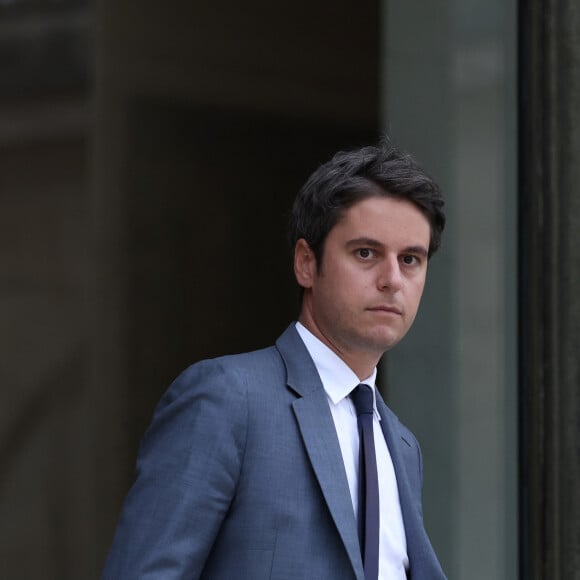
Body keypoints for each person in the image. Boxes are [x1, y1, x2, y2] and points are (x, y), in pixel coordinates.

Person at [102, 141, 447, 579]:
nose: (392, 280)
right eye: (366, 253)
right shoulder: (228, 398)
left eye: (410, 259)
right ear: (306, 263)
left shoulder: (402, 445)